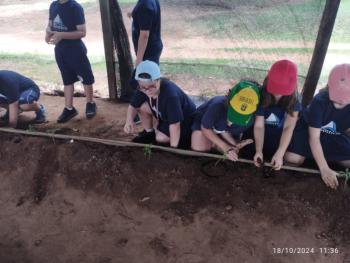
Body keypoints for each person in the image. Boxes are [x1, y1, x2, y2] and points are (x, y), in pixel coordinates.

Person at [285, 64, 350, 189]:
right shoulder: (320, 101)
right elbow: (314, 138)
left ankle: (323, 158)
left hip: (334, 135)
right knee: (292, 159)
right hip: (308, 132)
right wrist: (324, 169)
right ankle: (319, 161)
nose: (342, 101)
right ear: (331, 85)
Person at [124, 60, 196, 149]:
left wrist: (173, 148)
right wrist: (129, 121)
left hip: (185, 121)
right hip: (166, 116)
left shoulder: (170, 95)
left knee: (160, 138)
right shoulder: (143, 88)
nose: (147, 90)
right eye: (143, 87)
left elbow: (175, 124)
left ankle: (176, 140)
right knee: (141, 107)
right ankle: (149, 133)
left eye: (151, 86)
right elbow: (133, 106)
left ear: (158, 80)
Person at [45, 0, 96, 123]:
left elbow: (82, 32)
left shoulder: (75, 7)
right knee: (67, 79)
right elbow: (50, 24)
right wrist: (47, 33)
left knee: (86, 77)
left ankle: (90, 103)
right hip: (60, 50)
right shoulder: (53, 5)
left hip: (76, 50)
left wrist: (61, 35)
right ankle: (69, 108)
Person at [191, 80, 260, 161]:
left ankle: (215, 144)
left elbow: (223, 130)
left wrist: (235, 145)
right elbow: (205, 128)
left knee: (234, 152)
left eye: (241, 116)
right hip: (205, 125)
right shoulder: (217, 106)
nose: (232, 122)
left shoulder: (252, 118)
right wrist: (225, 146)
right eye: (234, 112)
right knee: (199, 148)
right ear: (229, 98)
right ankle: (214, 144)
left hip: (221, 130)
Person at [252, 60, 301, 170]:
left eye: (282, 89)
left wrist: (280, 153)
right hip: (260, 136)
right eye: (275, 87)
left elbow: (288, 128)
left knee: (296, 159)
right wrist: (258, 151)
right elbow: (259, 126)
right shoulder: (260, 95)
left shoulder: (294, 101)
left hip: (280, 138)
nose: (278, 93)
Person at [128, 0, 163, 66]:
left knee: (146, 75)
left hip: (147, 52)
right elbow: (148, 15)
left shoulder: (144, 5)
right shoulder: (146, 2)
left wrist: (139, 60)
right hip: (153, 47)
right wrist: (134, 13)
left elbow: (144, 35)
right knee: (151, 74)